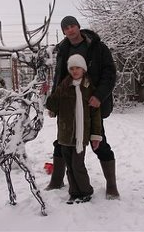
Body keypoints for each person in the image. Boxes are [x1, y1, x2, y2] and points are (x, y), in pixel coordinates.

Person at [45, 15, 120, 199]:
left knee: (99, 142)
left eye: (72, 26)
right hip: (67, 105)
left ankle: (111, 185)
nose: (70, 30)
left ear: (78, 27)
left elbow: (109, 74)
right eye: (66, 28)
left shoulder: (97, 47)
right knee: (61, 142)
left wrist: (99, 96)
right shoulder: (63, 49)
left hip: (90, 103)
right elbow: (59, 78)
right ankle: (56, 180)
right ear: (63, 31)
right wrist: (54, 103)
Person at [46, 54, 102, 204]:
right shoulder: (64, 85)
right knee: (69, 166)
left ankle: (86, 191)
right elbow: (53, 105)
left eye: (78, 68)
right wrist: (49, 97)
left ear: (83, 69)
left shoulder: (89, 87)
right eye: (72, 68)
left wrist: (96, 135)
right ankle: (74, 192)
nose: (75, 71)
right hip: (65, 133)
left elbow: (95, 113)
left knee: (78, 165)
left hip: (81, 134)